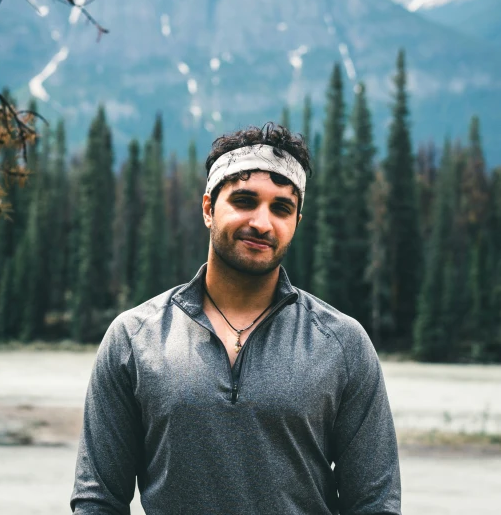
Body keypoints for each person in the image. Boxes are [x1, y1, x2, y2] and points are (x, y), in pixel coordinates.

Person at [71, 123, 401, 515]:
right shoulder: (133, 338)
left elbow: (375, 504)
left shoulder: (343, 344)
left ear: (296, 222)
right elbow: (98, 500)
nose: (262, 223)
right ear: (209, 208)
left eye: (282, 208)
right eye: (244, 201)